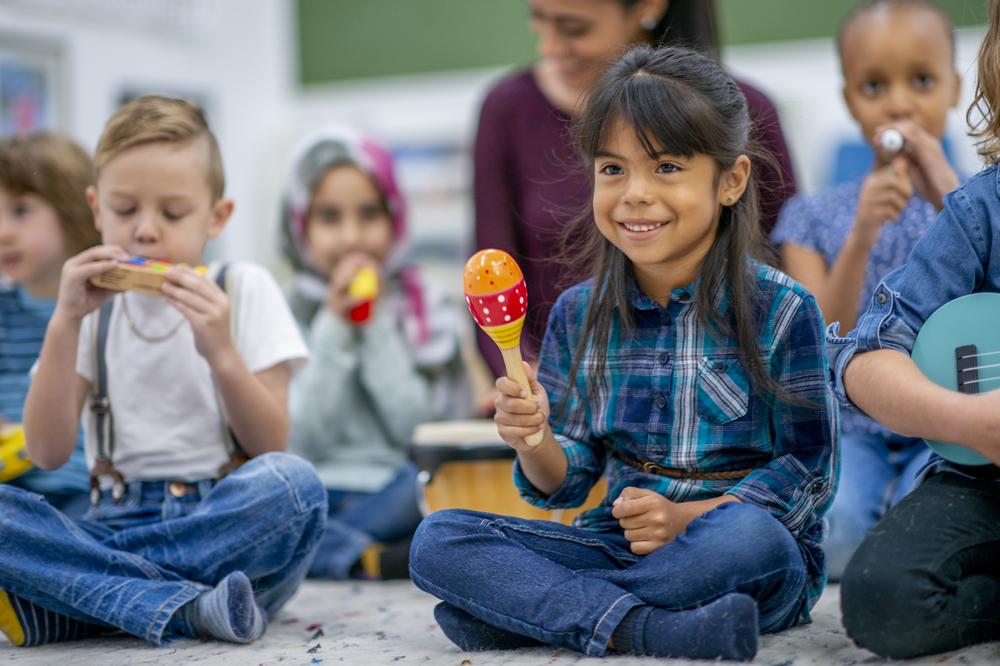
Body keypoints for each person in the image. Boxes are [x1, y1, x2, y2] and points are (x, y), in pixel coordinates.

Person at [409, 46, 838, 660]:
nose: (634, 194)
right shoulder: (578, 314)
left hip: (735, 547)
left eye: (666, 167)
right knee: (439, 539)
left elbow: (809, 473)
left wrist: (687, 519)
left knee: (755, 540)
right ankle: (646, 628)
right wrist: (534, 441)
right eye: (612, 169)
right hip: (615, 543)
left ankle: (549, 610)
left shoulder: (785, 309)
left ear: (731, 180)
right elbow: (567, 480)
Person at [0, 95, 325, 648]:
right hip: (116, 516)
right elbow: (47, 450)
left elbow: (271, 443)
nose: (146, 232)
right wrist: (64, 325)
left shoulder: (244, 289)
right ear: (96, 209)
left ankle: (84, 600)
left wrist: (221, 352)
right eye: (125, 211)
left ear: (217, 217)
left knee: (294, 487)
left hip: (219, 515)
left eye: (172, 214)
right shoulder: (89, 311)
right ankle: (195, 608)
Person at [473, 0, 798, 380]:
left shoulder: (740, 112)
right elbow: (492, 269)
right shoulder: (507, 107)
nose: (548, 49)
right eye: (611, 168)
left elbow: (790, 256)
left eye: (575, 29)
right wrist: (529, 382)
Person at [828, 0, 1000, 657]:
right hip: (984, 470)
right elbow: (860, 358)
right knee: (879, 597)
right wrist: (974, 422)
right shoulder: (980, 209)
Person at [772, 0, 960, 579]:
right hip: (851, 426)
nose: (900, 102)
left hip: (947, 419)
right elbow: (815, 334)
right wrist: (859, 237)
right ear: (851, 99)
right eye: (875, 85)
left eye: (922, 81)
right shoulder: (811, 216)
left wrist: (948, 199)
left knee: (927, 520)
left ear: (954, 89)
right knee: (840, 529)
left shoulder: (978, 199)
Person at [281, 126, 471, 580]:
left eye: (369, 214)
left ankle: (310, 554)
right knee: (260, 496)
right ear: (299, 224)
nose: (351, 237)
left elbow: (417, 432)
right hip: (313, 492)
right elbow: (302, 439)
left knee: (437, 488)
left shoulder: (425, 306)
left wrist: (376, 323)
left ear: (396, 218)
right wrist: (336, 326)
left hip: (393, 493)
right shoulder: (285, 310)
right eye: (329, 217)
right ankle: (361, 554)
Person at [0, 133, 99, 517]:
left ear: (74, 208)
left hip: (82, 494)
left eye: (21, 211)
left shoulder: (105, 312)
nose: (4, 231)